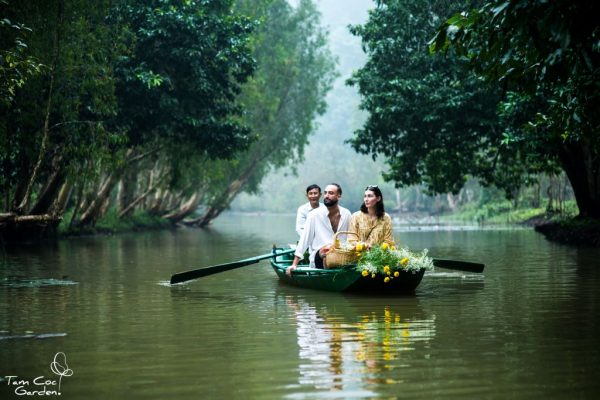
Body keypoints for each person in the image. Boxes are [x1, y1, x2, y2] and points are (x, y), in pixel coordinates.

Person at [287, 183, 351, 275]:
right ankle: (328, 275)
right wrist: (294, 264)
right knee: (327, 250)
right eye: (325, 193)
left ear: (339, 196)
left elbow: (351, 237)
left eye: (331, 193)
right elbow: (305, 239)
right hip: (320, 255)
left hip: (341, 255)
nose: (327, 196)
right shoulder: (314, 215)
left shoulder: (346, 214)